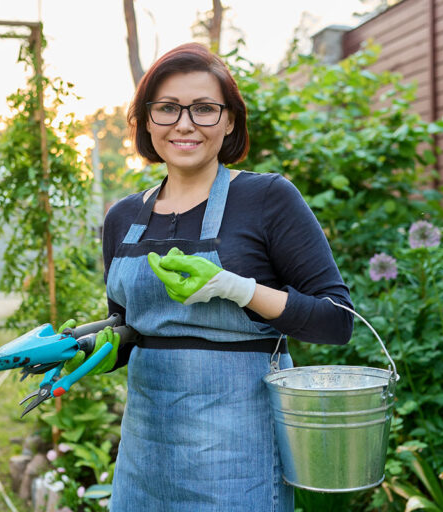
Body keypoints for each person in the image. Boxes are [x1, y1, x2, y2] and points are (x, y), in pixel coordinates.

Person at [67, 42, 353, 511]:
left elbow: (336, 319)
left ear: (230, 121)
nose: (184, 123)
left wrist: (237, 289)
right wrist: (79, 350)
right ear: (146, 120)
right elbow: (129, 329)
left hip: (237, 460)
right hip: (144, 456)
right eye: (167, 109)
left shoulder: (267, 199)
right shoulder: (122, 218)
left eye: (203, 109)